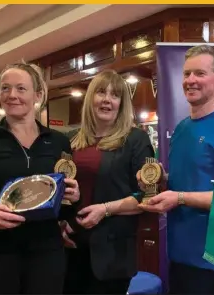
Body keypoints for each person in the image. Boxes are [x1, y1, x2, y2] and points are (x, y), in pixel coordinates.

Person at [137, 45, 214, 294]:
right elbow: (190, 180)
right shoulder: (182, 128)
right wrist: (160, 180)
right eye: (186, 74)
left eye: (200, 74)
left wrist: (180, 198)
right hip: (179, 256)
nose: (190, 80)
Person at [0, 62, 80, 294]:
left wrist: (73, 197)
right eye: (5, 88)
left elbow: (64, 209)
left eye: (21, 89)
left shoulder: (58, 141)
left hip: (46, 253)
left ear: (38, 95)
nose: (12, 95)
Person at [61, 70, 154, 294]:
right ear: (90, 97)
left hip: (112, 254)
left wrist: (105, 210)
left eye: (115, 95)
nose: (107, 100)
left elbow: (147, 197)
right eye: (101, 92)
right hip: (70, 247)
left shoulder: (135, 139)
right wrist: (60, 222)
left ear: (121, 103)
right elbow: (59, 187)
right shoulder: (69, 140)